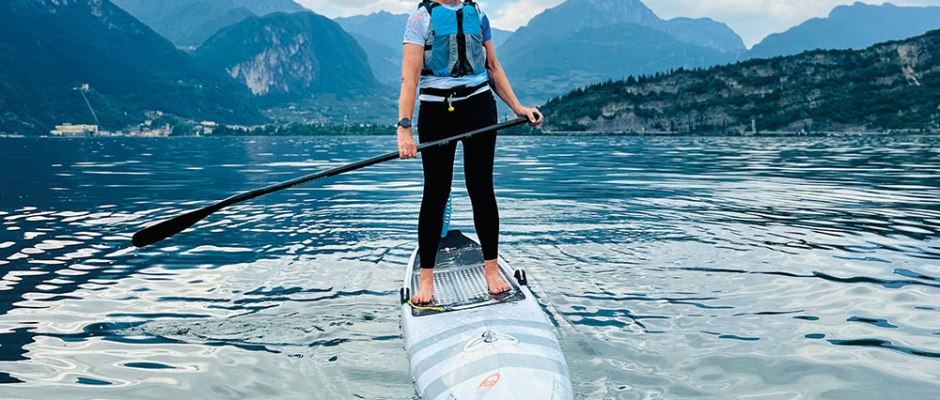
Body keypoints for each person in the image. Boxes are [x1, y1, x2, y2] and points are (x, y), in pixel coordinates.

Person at [397, 0, 542, 304]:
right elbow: (409, 78)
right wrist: (405, 129)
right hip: (437, 111)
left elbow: (493, 67)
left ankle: (491, 271)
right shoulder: (421, 19)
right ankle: (426, 280)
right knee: (436, 191)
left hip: (479, 106)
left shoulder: (478, 14)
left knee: (481, 188)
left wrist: (518, 108)